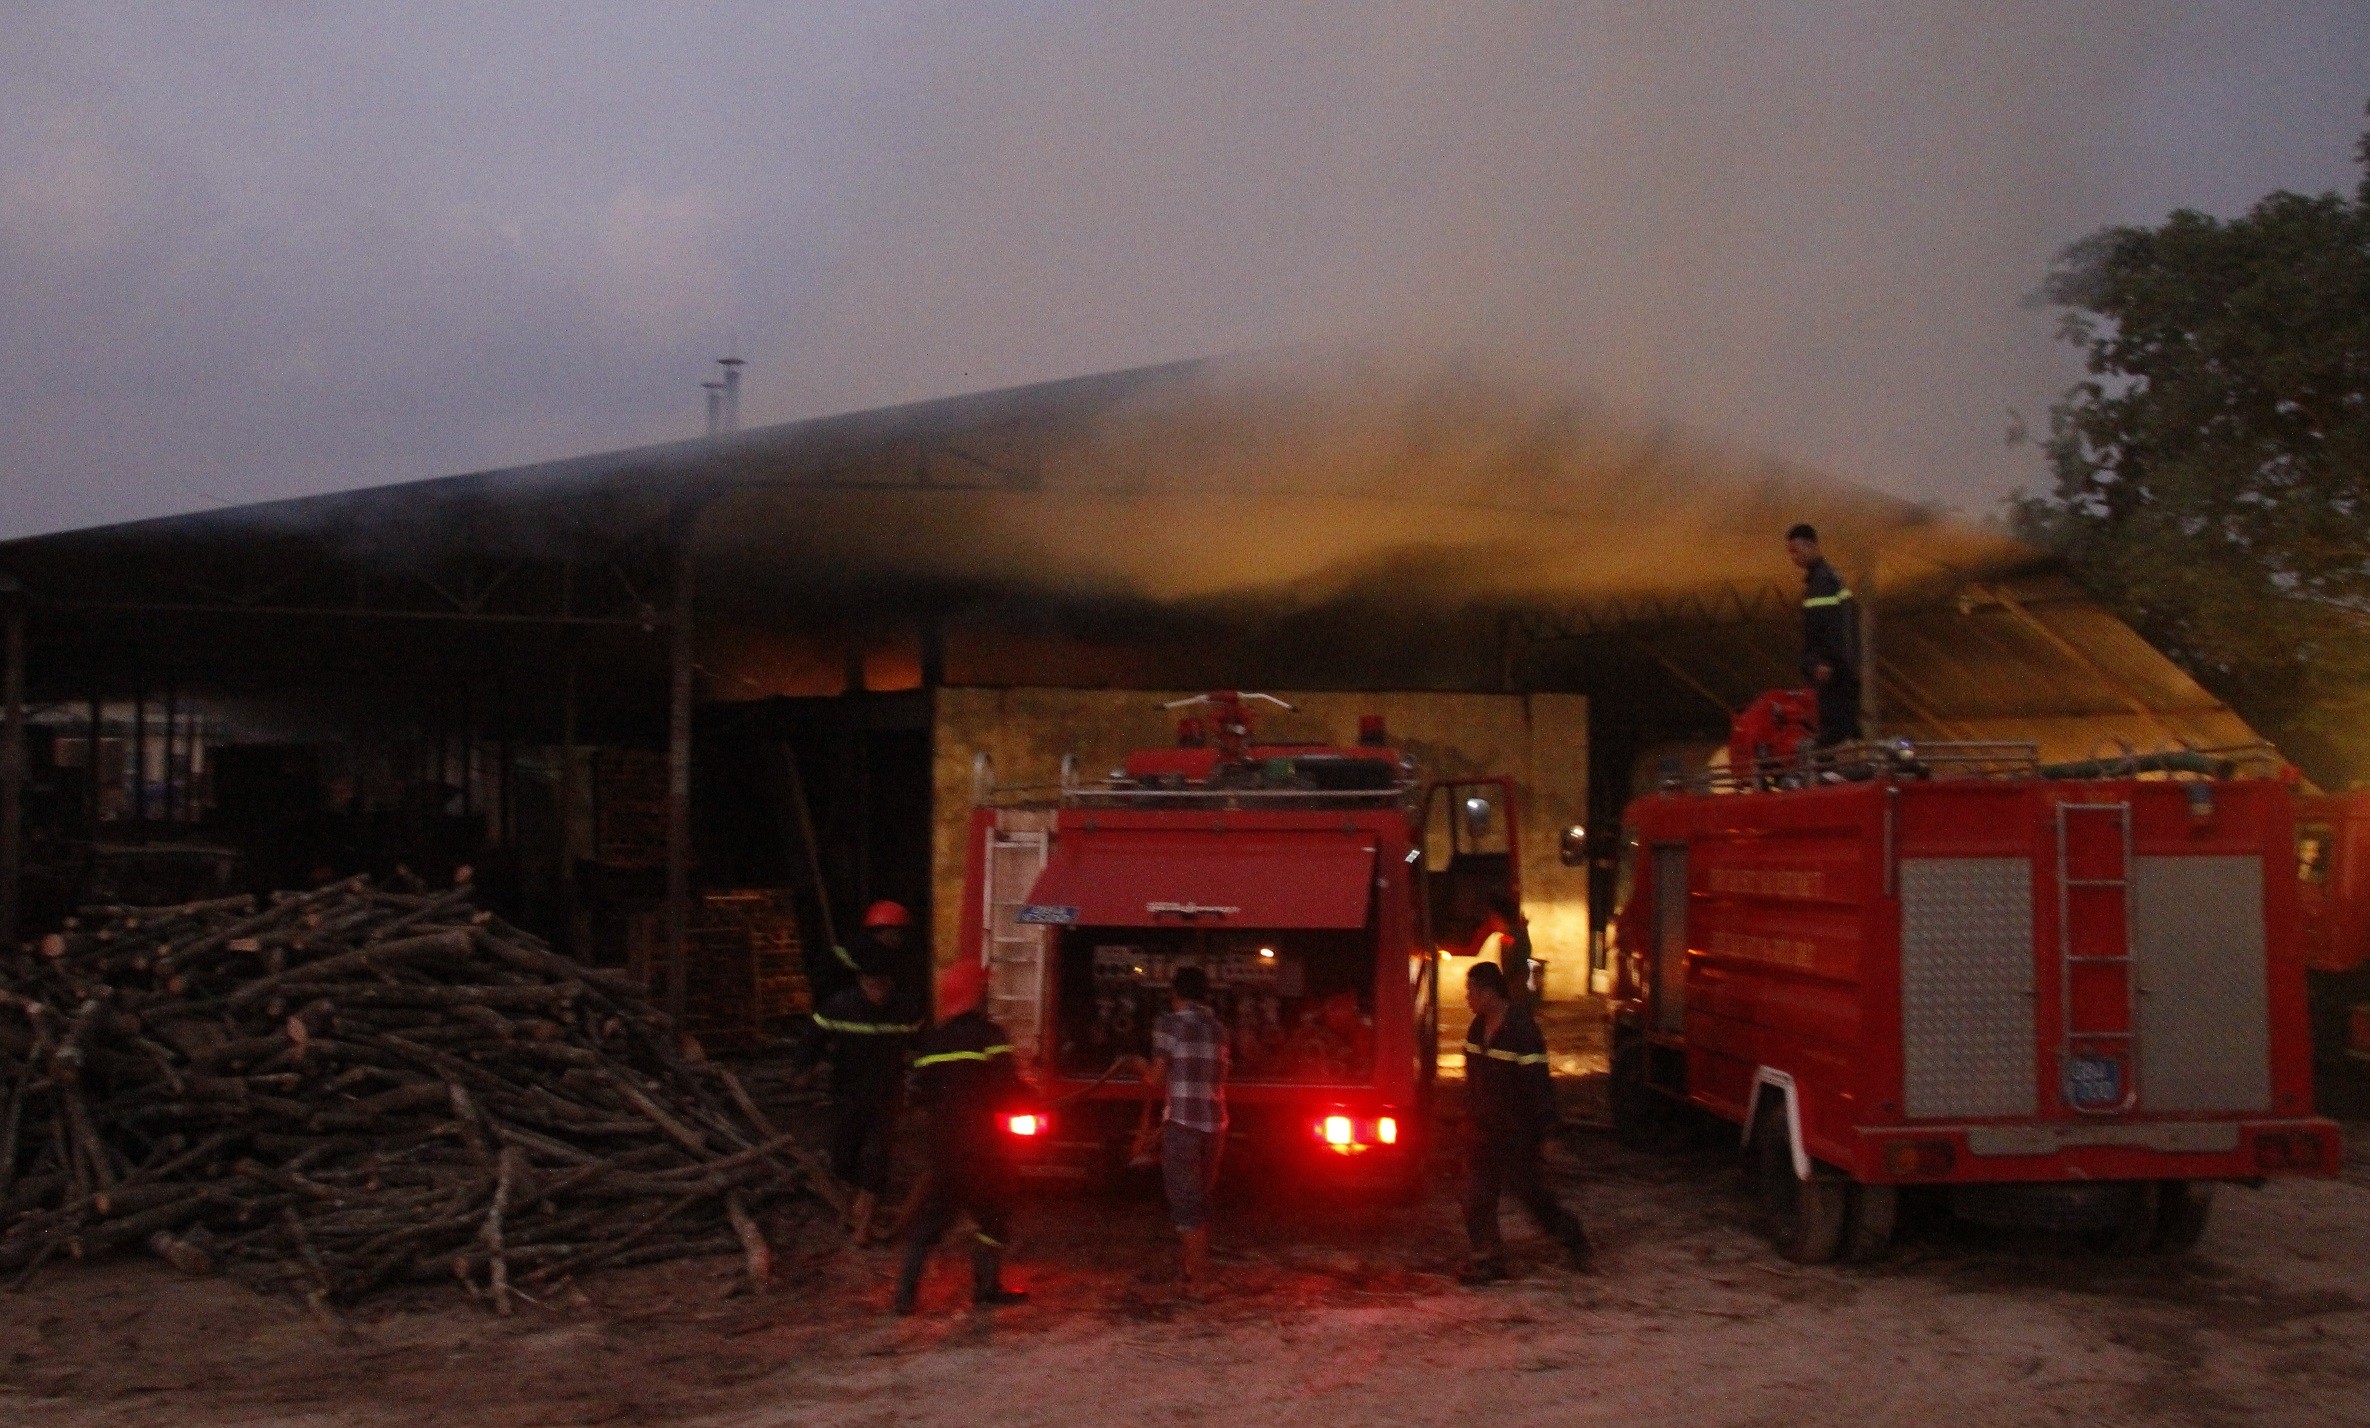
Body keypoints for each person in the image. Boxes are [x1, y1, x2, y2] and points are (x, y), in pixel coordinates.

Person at [893, 957, 1029, 1316]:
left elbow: (918, 1094)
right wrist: (1031, 1099)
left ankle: (904, 1297)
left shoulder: (932, 1043)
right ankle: (986, 1288)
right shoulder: (990, 1037)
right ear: (976, 996)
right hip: (985, 1149)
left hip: (945, 1149)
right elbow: (1007, 1088)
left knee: (930, 1223)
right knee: (993, 1217)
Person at [1459, 961, 1590, 1283]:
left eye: (1471, 991)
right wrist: (1469, 1117)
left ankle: (1570, 1236)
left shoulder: (1522, 1030)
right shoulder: (1476, 1030)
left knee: (1531, 1194)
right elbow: (1472, 1080)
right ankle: (1488, 1260)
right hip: (1485, 1132)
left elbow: (1538, 1084)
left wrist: (1548, 1132)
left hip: (1518, 1133)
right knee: (1475, 1195)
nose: (1467, 998)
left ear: (1489, 993)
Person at [796, 947, 922, 1246]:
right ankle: (853, 1207)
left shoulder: (905, 1010)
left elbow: (923, 1048)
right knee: (844, 1157)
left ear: (890, 983)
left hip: (886, 1096)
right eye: (870, 985)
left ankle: (863, 1225)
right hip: (846, 1094)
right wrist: (803, 1068)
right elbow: (812, 1039)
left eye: (881, 986)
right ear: (860, 980)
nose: (875, 992)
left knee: (877, 1157)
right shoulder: (839, 1007)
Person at [1144, 964, 1230, 1294]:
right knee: (1199, 1199)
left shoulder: (1169, 1025)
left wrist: (1138, 1065)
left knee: (1185, 1203)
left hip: (1182, 1125)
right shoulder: (1220, 1029)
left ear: (1174, 993)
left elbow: (1154, 1077)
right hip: (1215, 1125)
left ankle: (1200, 1283)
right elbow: (1221, 1075)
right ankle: (1189, 1271)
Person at [1785, 523, 1862, 747]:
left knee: (1833, 730)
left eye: (1795, 550)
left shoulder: (1822, 582)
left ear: (1810, 545)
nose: (1794, 557)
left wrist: (1824, 662)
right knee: (1843, 726)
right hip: (1840, 670)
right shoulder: (1829, 579)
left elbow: (1828, 625)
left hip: (1833, 672)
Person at [1462, 890, 1534, 1002]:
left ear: (1499, 917)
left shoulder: (1510, 938)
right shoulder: (1517, 933)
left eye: (1492, 917)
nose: (1490, 921)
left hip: (1515, 993)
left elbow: (1510, 968)